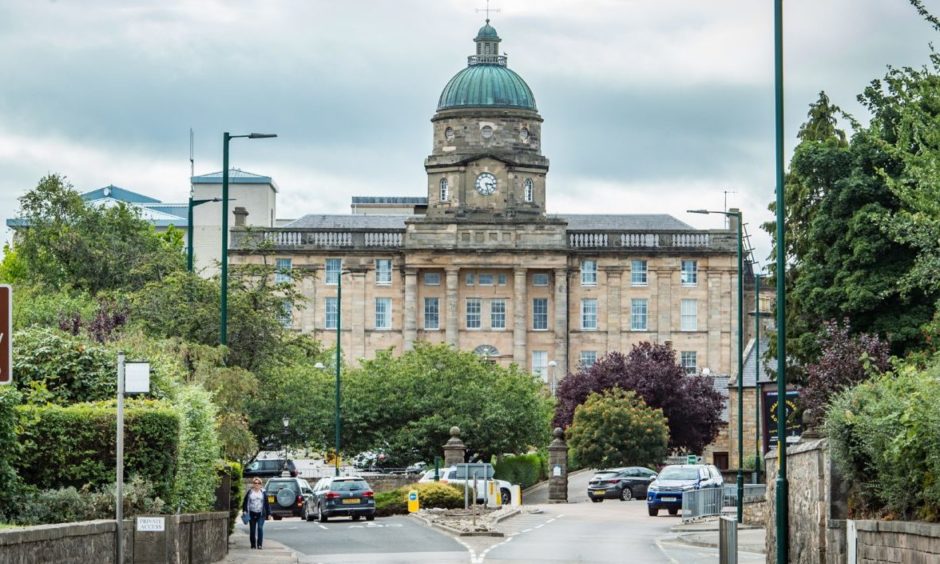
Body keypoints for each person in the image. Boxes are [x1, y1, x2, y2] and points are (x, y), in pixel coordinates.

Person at [241, 478, 271, 549]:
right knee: (252, 530)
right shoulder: (250, 492)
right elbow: (245, 502)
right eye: (255, 483)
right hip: (252, 513)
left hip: (261, 514)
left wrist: (269, 513)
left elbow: (267, 504)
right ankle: (253, 544)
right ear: (253, 484)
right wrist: (245, 510)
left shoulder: (263, 493)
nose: (257, 484)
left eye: (258, 483)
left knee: (260, 528)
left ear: (261, 485)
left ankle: (260, 544)